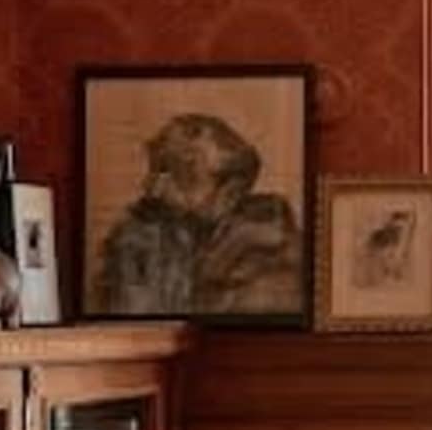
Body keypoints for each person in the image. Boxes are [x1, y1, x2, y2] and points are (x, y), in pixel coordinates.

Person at [97, 112, 302, 315]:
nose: (151, 188)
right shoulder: (139, 234)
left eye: (176, 173)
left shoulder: (270, 251)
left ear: (229, 191)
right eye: (156, 170)